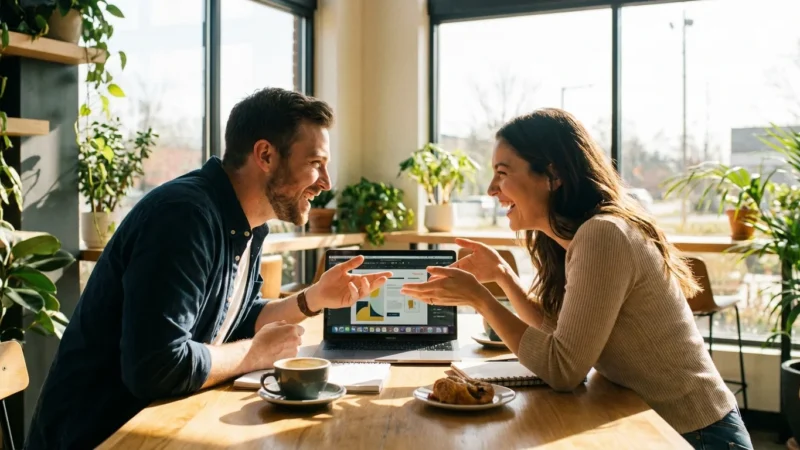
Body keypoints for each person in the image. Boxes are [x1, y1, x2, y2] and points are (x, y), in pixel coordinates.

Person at [26, 88, 391, 450]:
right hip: (101, 436)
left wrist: (314, 298)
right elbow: (156, 368)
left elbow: (233, 317)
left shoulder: (248, 224)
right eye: (315, 163)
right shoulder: (183, 216)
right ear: (265, 154)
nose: (327, 182)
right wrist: (255, 354)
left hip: (160, 424)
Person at [401, 108, 753, 450]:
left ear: (552, 176)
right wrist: (504, 277)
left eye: (502, 172)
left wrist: (482, 299)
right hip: (660, 424)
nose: (492, 188)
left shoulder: (603, 235)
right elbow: (563, 337)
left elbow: (562, 369)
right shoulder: (581, 237)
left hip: (697, 435)